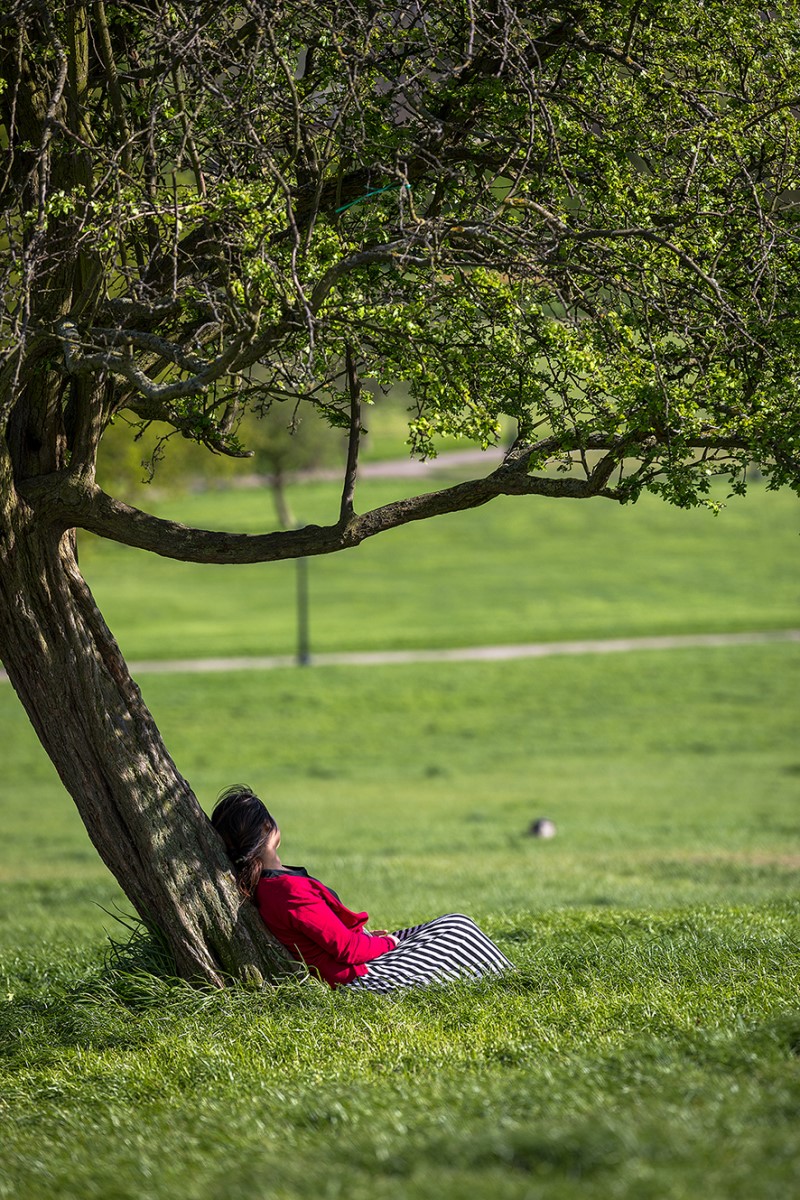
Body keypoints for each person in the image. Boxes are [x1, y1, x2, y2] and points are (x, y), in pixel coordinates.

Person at [211, 784, 514, 993]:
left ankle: (498, 977)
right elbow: (346, 949)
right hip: (361, 977)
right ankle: (509, 982)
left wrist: (371, 938)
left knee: (452, 922)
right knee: (458, 931)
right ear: (267, 828)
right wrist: (388, 944)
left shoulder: (273, 884)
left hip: (360, 958)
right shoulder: (285, 891)